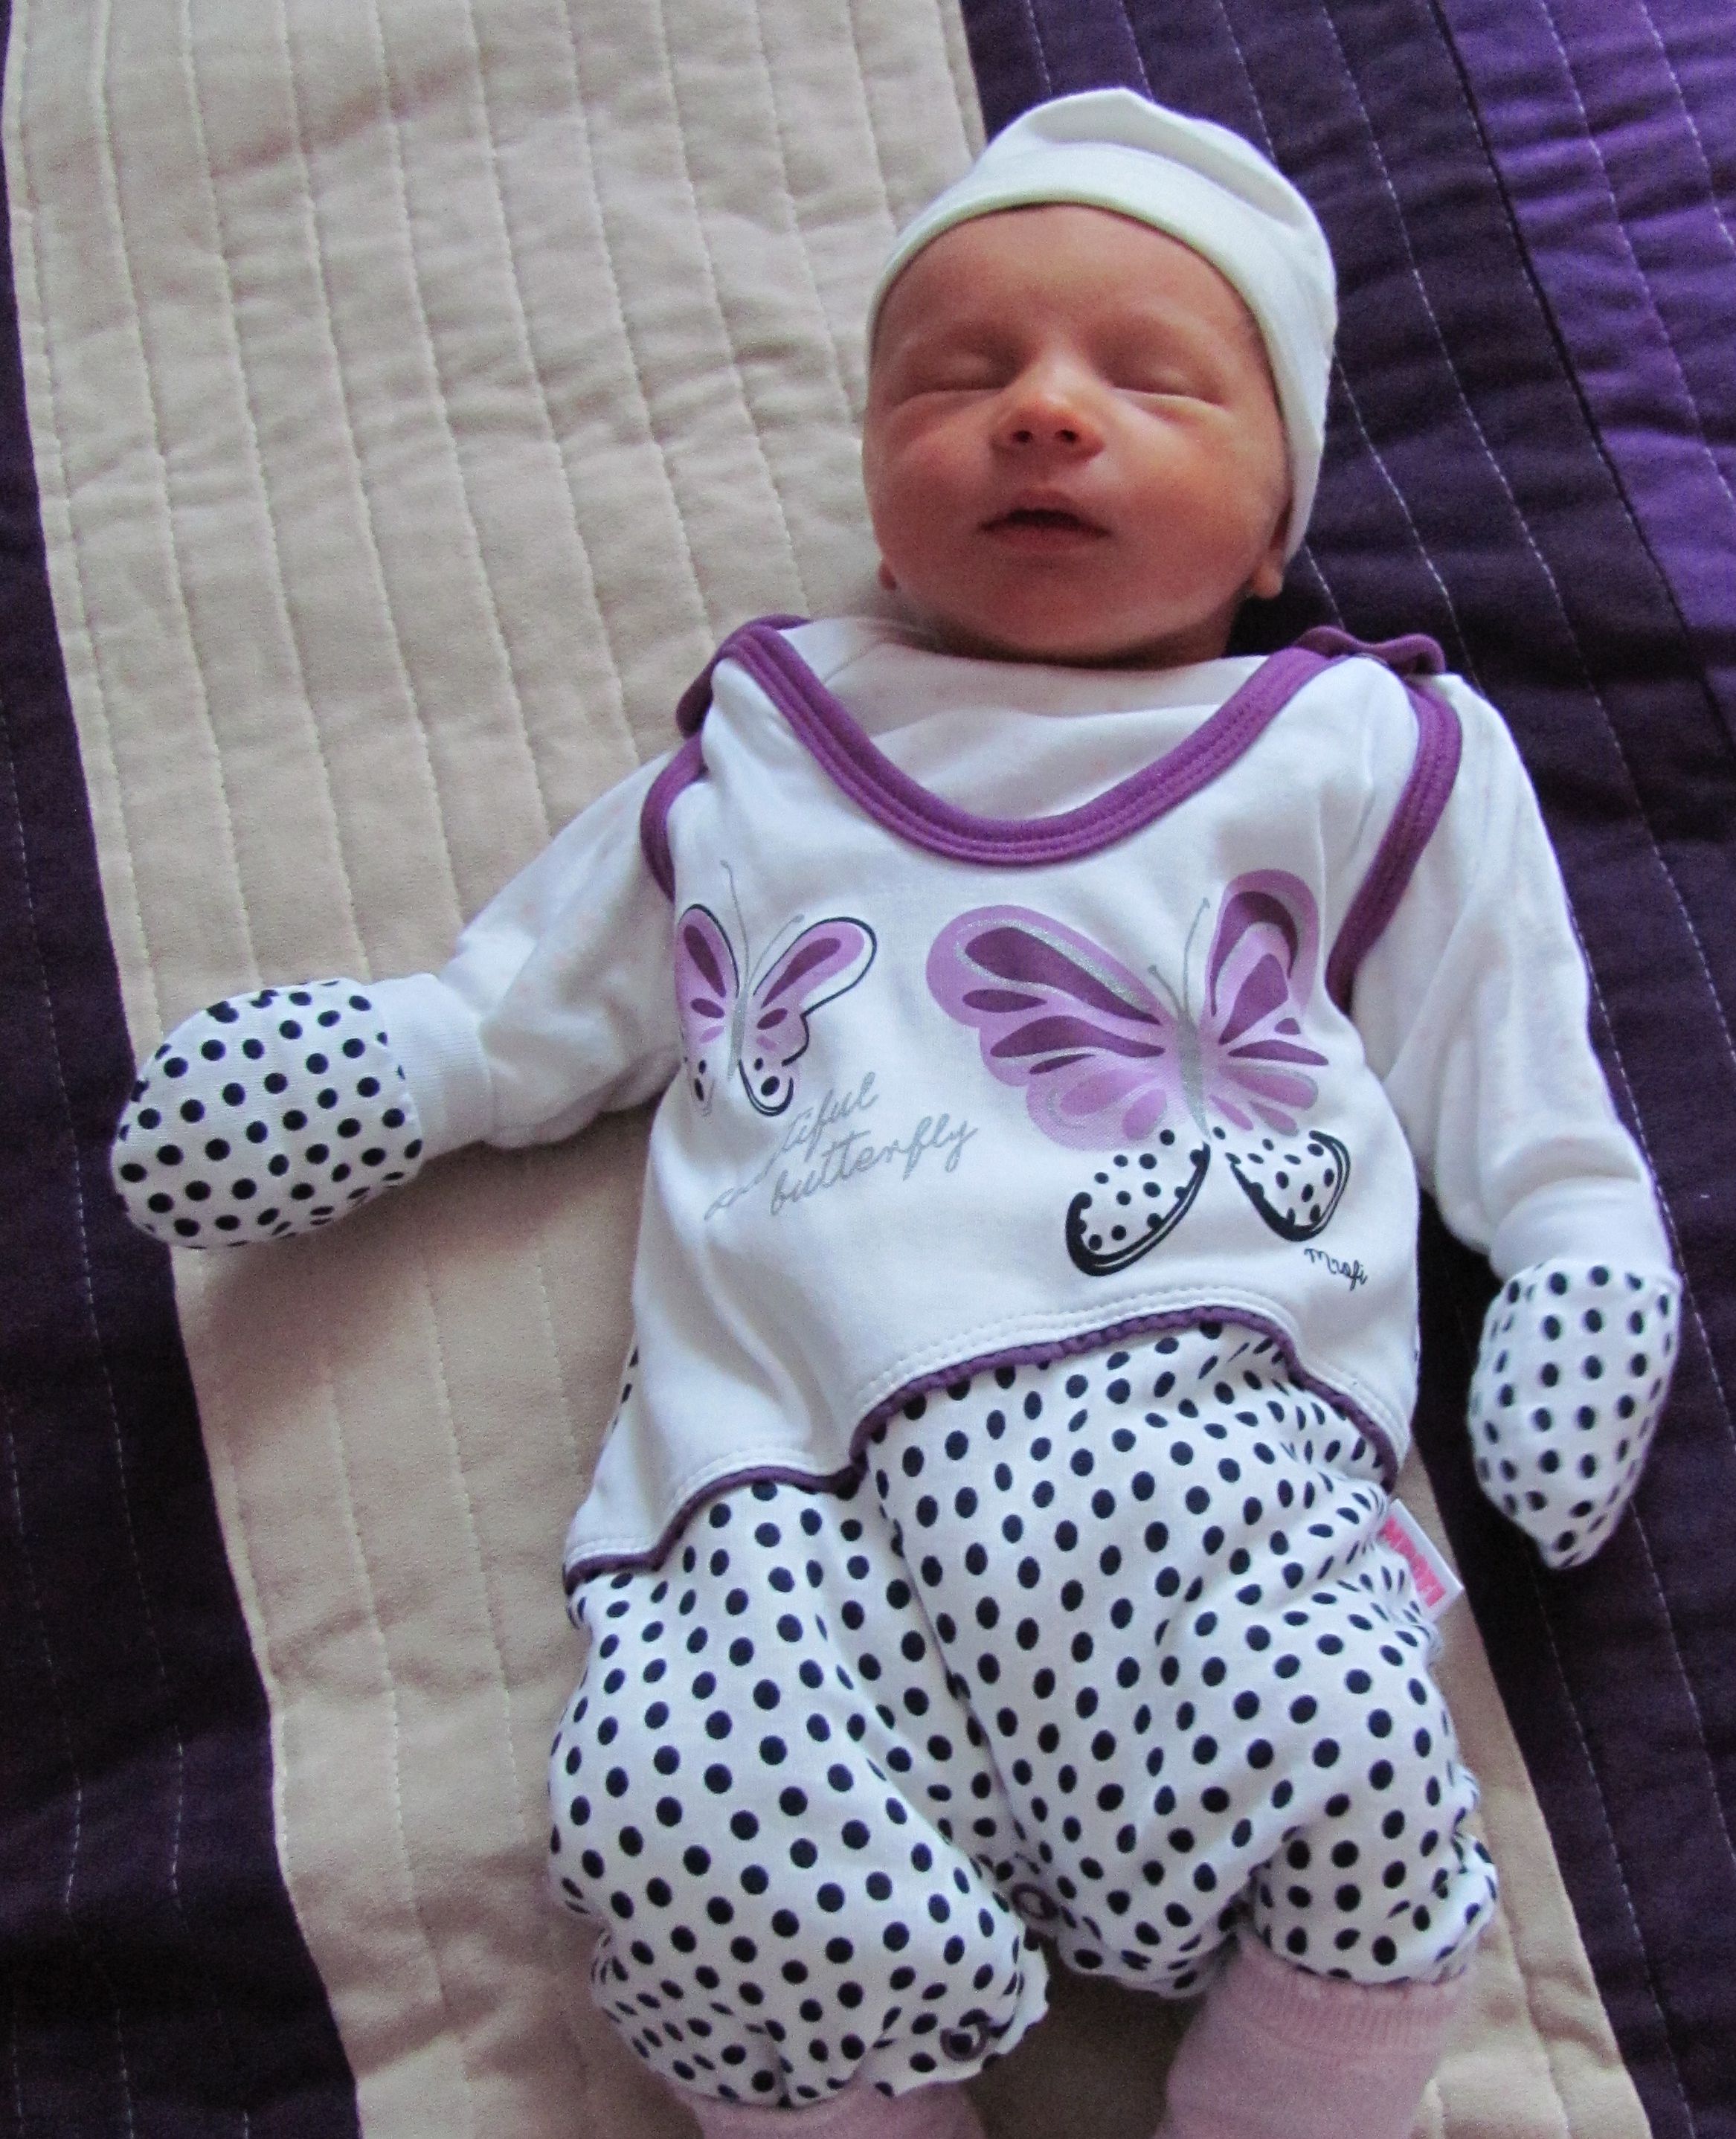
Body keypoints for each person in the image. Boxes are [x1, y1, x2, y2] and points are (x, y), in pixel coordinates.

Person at [109, 89, 1678, 2139]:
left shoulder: (1356, 744)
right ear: (875, 483)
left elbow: (1517, 1062)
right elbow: (532, 1005)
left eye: (1149, 379)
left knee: (1355, 1761)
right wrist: (395, 1066)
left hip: (1203, 1443)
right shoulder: (777, 739)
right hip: (777, 1477)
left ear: (1275, 524)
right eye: (957, 377)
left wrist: (1575, 1251)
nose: (1043, 410)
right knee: (684, 1831)